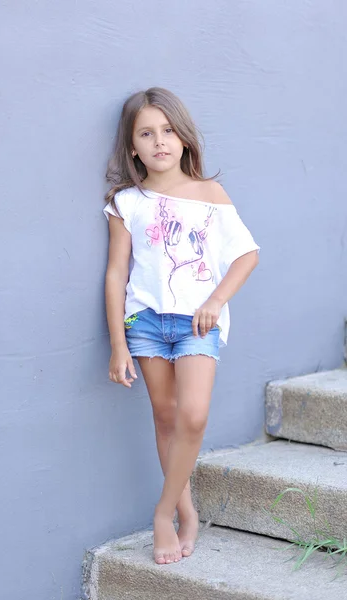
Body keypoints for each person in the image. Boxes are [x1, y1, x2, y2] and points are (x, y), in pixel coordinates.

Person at [103, 87, 260, 566]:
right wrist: (117, 344)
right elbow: (115, 274)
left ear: (184, 138)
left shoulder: (210, 195)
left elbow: (247, 254)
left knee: (193, 415)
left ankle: (162, 512)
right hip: (145, 322)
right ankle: (185, 512)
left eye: (168, 131)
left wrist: (215, 300)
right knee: (166, 417)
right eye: (146, 134)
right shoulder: (126, 202)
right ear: (133, 147)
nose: (160, 142)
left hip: (196, 321)